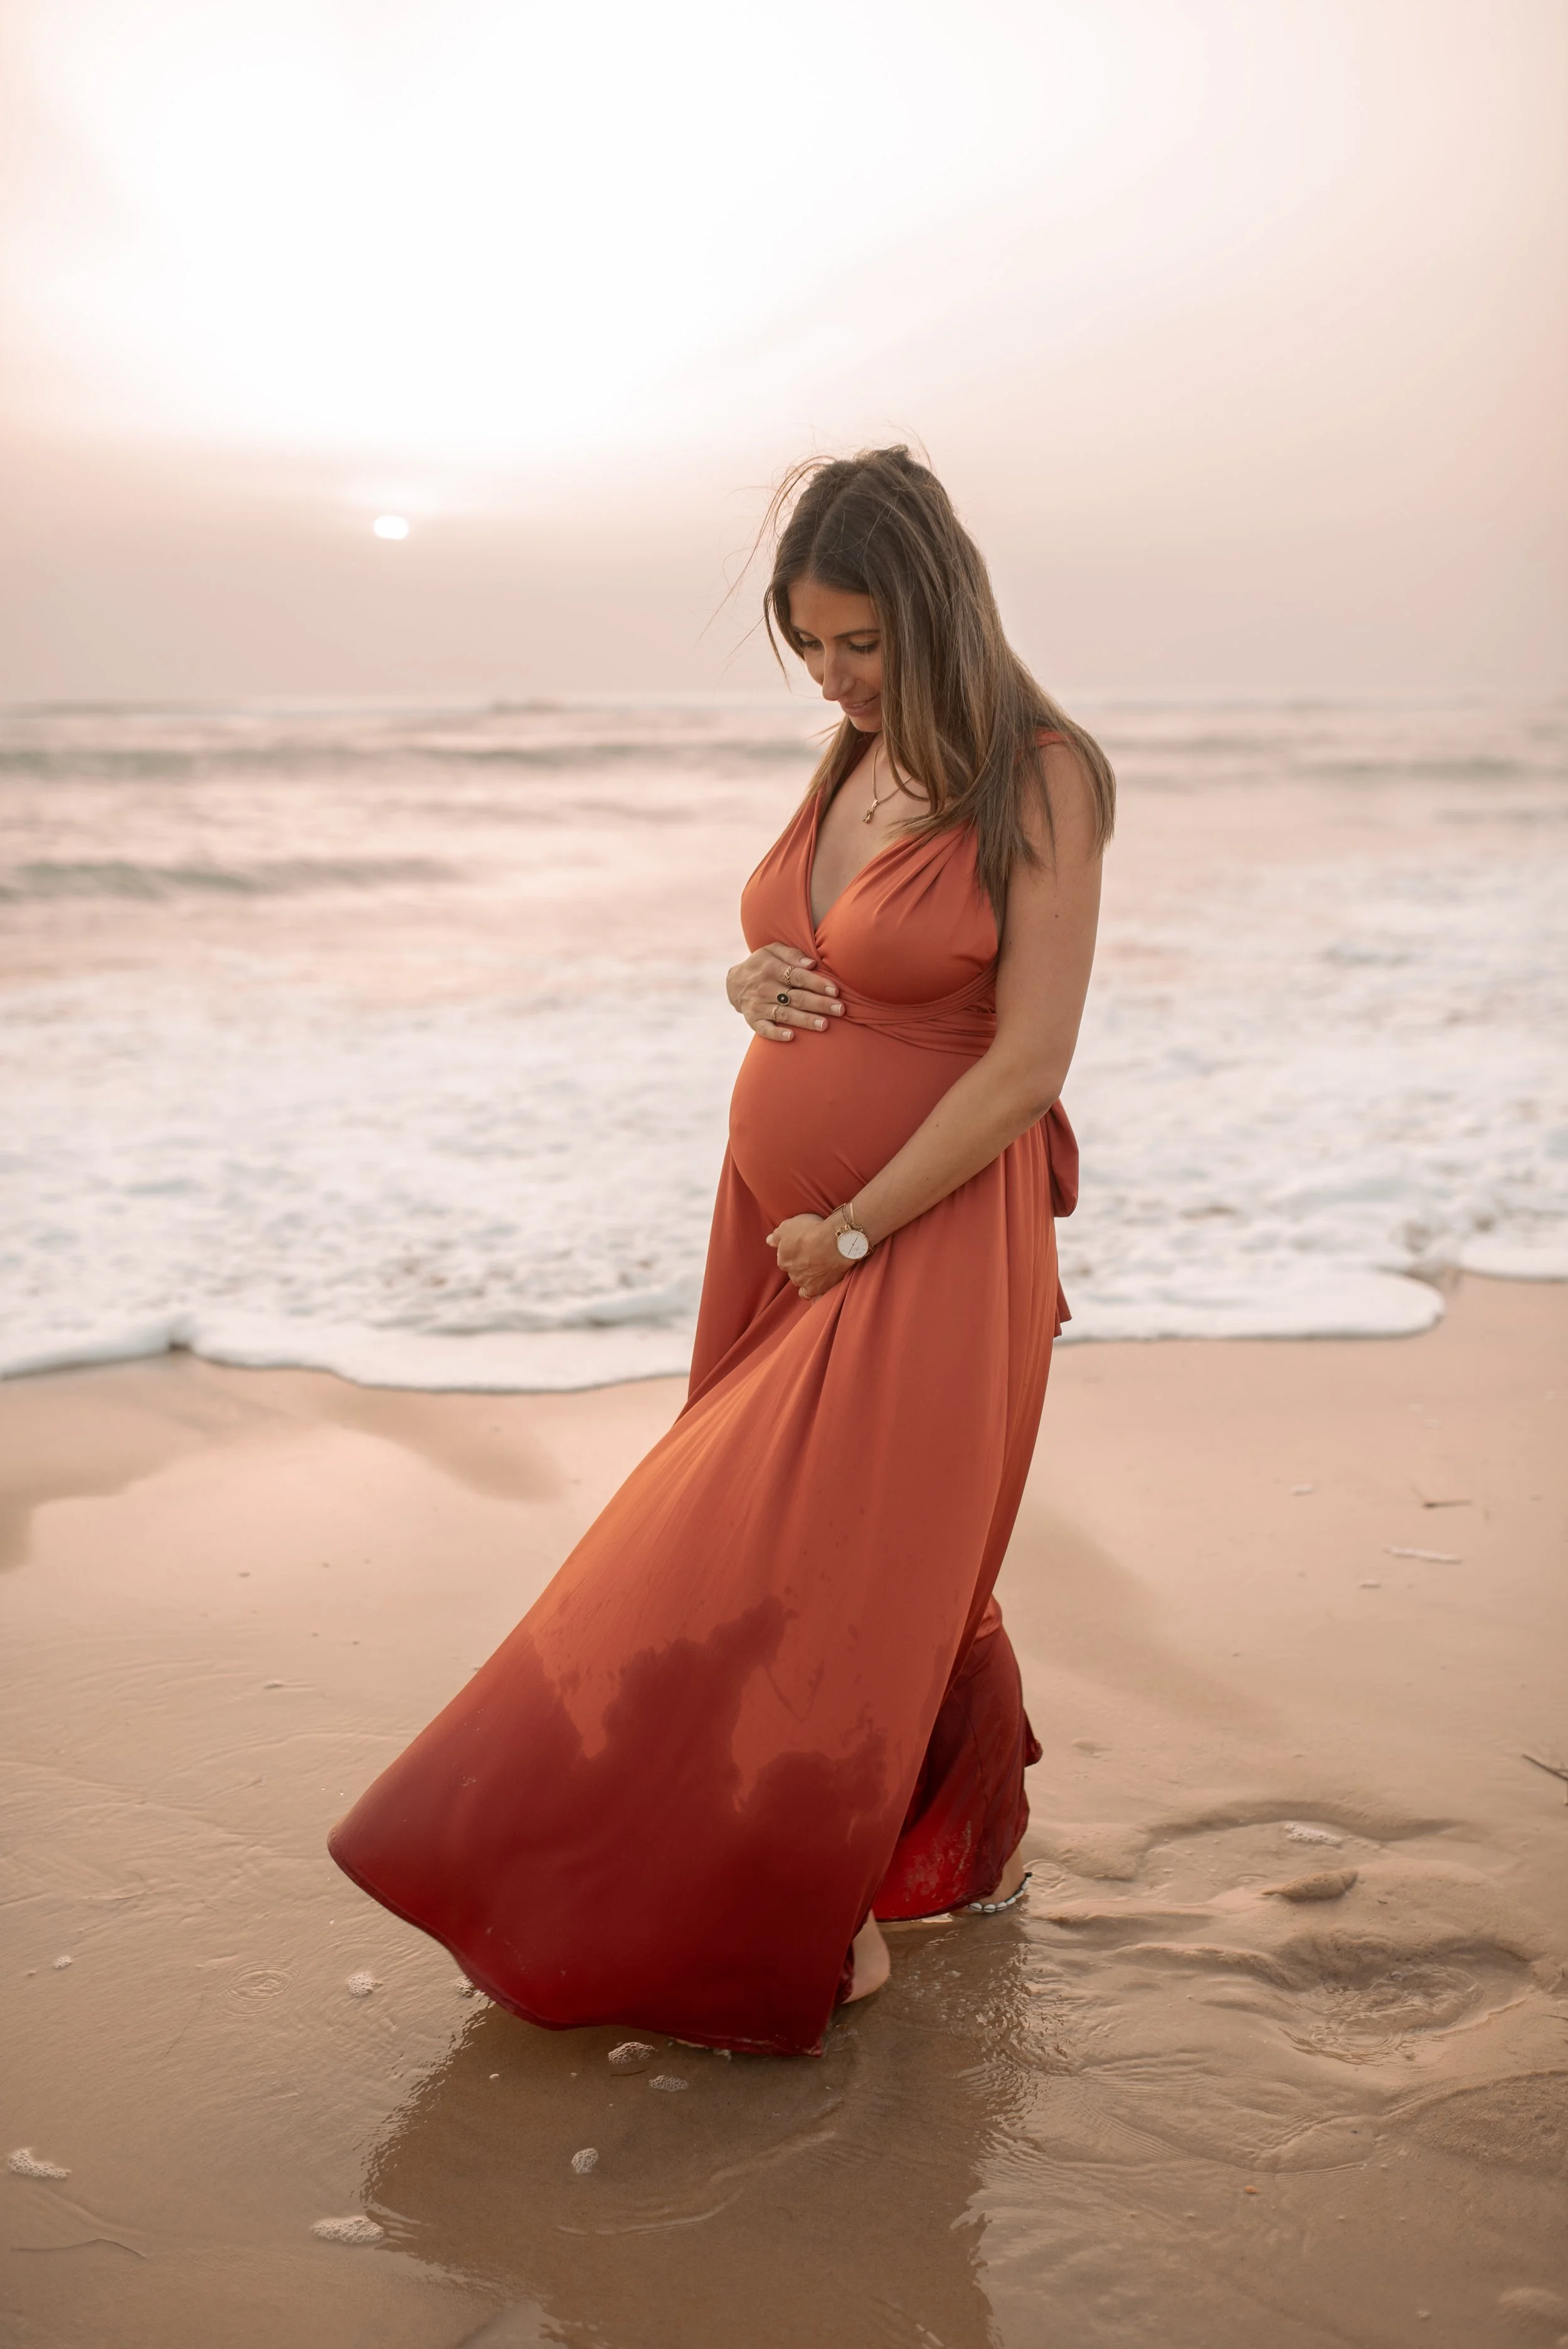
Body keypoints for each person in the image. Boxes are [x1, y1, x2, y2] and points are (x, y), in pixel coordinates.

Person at [328, 447, 1113, 2057]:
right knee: (830, 1558)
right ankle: (959, 1852)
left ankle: (791, 1902)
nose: (832, 677)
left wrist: (856, 1223)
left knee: (793, 1560)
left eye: (860, 643)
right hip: (778, 1231)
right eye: (808, 644)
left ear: (936, 610)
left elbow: (1026, 1063)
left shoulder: (1039, 778)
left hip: (925, 1231)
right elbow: (803, 940)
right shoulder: (849, 755)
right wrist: (747, 982)